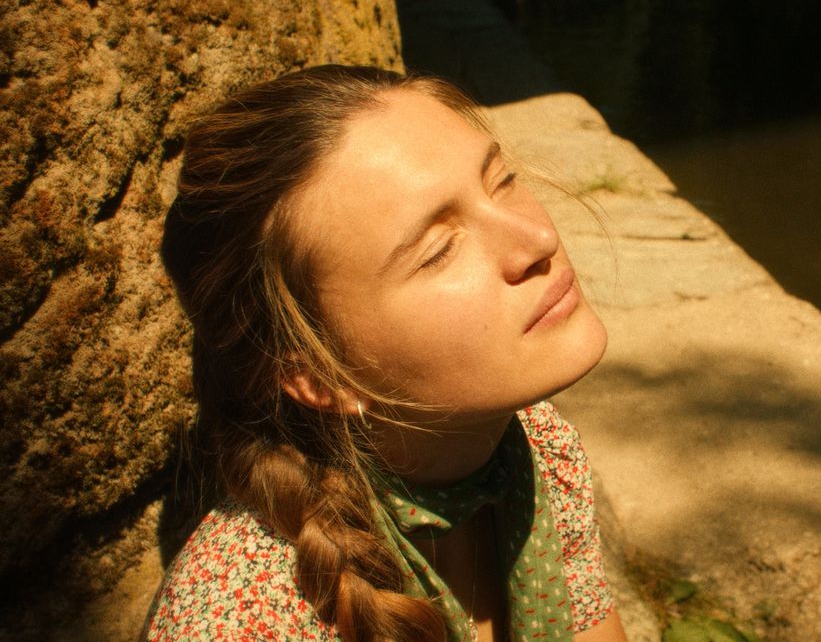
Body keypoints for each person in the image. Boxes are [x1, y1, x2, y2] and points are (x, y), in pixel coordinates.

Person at [146, 65, 627, 642]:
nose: (538, 241)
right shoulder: (242, 623)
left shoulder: (538, 451)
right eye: (439, 249)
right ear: (320, 375)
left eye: (501, 180)